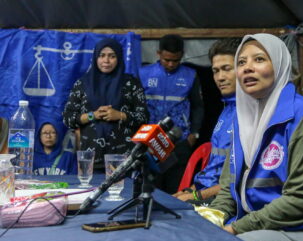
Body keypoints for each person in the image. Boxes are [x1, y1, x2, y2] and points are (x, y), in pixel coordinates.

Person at [208, 33, 303, 241]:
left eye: (259, 59)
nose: (247, 68)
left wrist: (236, 228)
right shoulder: (241, 120)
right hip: (254, 223)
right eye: (241, 62)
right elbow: (228, 187)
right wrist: (214, 216)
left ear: (280, 65)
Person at [63, 38, 149, 172]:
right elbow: (68, 118)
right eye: (101, 56)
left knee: (122, 192)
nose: (106, 61)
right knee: (91, 192)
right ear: (95, 57)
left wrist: (120, 115)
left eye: (112, 56)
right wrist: (93, 115)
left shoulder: (131, 83)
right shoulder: (83, 84)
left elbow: (144, 117)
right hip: (91, 158)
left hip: (123, 159)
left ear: (119, 58)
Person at [173, 38, 237, 205]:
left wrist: (194, 197)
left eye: (227, 69)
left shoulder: (251, 114)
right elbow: (211, 172)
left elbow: (238, 182)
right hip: (206, 194)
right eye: (216, 71)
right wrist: (188, 192)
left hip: (224, 202)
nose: (220, 77)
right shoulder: (227, 110)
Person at [139, 34, 204, 194]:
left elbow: (198, 106)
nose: (171, 64)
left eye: (175, 60)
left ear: (182, 55)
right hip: (151, 140)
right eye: (166, 59)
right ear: (158, 53)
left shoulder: (190, 75)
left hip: (179, 141)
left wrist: (194, 134)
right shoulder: (143, 73)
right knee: (152, 188)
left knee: (177, 189)